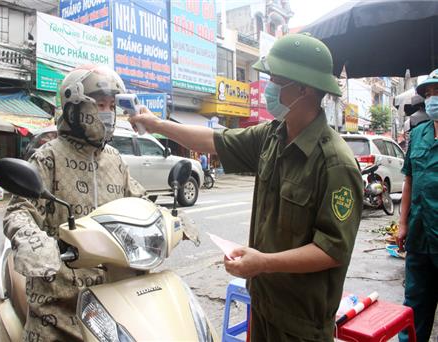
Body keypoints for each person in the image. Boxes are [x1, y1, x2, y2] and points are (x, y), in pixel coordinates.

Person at [130, 33, 363, 341]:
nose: (269, 88)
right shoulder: (271, 136)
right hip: (264, 303)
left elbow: (331, 251)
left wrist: (264, 262)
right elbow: (213, 141)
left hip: (301, 323)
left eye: (276, 80)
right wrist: (158, 124)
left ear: (303, 88)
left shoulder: (335, 163)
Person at [3, 65, 145, 341]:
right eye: (100, 104)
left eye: (111, 105)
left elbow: (139, 202)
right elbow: (19, 210)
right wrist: (35, 242)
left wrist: (166, 220)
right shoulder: (49, 157)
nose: (107, 111)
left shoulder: (115, 159)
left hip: (114, 289)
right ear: (75, 108)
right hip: (59, 293)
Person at [397, 68, 438, 342]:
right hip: (419, 236)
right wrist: (402, 224)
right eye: (430, 93)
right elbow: (409, 180)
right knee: (414, 308)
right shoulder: (419, 132)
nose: (433, 99)